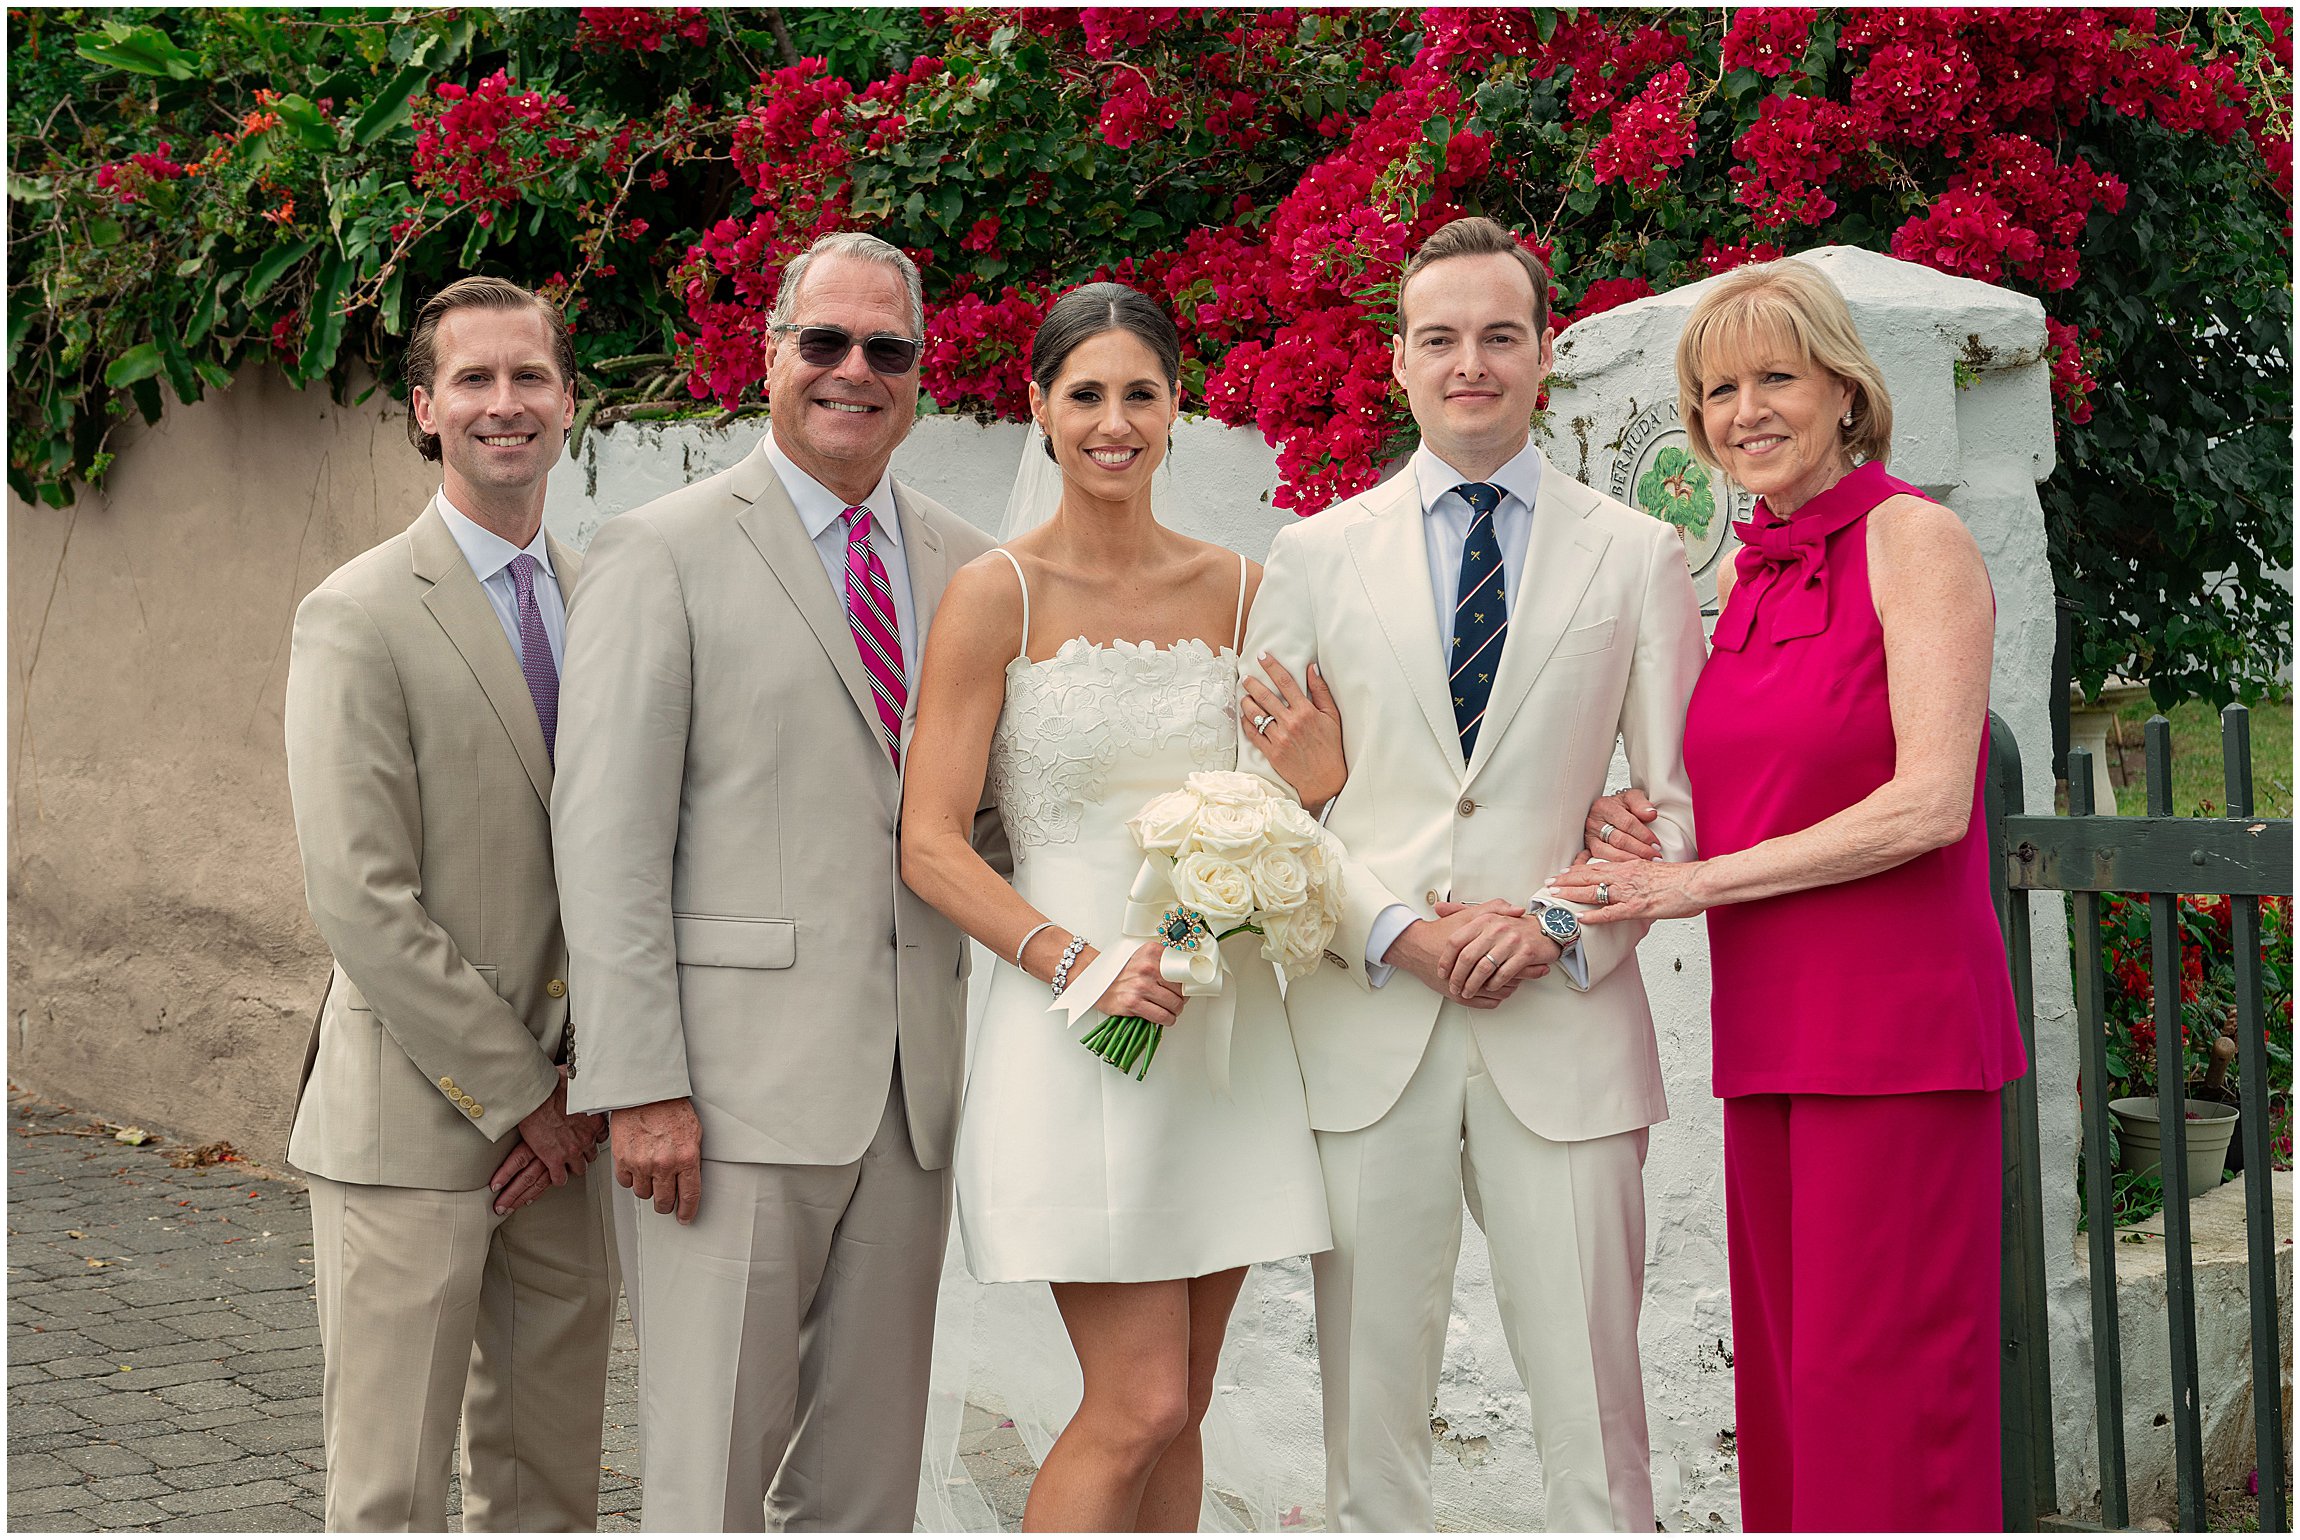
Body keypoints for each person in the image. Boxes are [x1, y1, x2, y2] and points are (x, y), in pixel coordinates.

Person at [1236, 215, 1707, 1532]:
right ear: (1397, 362)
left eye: (1501, 335)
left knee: (1596, 1419)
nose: (1472, 362)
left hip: (1562, 1028)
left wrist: (1557, 922)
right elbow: (1263, 809)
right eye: (1440, 338)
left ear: (1545, 354)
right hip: (1370, 1020)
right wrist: (1391, 926)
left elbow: (1678, 808)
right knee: (1367, 1423)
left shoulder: (1636, 555)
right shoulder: (1314, 558)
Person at [1557, 257, 2025, 1531]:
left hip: (1895, 1036)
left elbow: (1930, 801)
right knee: (1793, 1396)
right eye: (1716, 389)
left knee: (1884, 1400)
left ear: (1842, 391)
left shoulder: (1908, 539)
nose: (1743, 409)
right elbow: (1761, 790)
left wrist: (1686, 882)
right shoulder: (1750, 578)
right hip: (1769, 1030)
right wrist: (1641, 828)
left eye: (1774, 376)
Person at [551, 230, 1005, 1532]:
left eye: (887, 349)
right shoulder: (661, 551)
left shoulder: (975, 568)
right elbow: (607, 836)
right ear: (770, 356)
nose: (854, 370)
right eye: (825, 342)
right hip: (722, 1106)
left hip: (911, 1102)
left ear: (919, 375)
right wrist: (638, 1085)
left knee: (865, 1489)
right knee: (710, 1479)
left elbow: (997, 824)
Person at [899, 282, 1344, 1532]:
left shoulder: (1246, 589)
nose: (1112, 421)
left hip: (1224, 1033)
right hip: (1077, 1029)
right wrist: (1077, 964)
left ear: (1175, 408)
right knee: (1137, 1401)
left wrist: (1314, 787)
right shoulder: (1000, 594)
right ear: (1037, 409)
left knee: (1181, 1410)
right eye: (1084, 395)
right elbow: (930, 844)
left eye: (1138, 394)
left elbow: (1301, 791)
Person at [282, 275, 615, 1530]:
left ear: (569, 402)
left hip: (574, 1132)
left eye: (529, 375)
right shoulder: (356, 613)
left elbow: (630, 865)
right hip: (411, 1126)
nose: (504, 403)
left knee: (546, 1487)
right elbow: (360, 895)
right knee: (390, 1492)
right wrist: (522, 1093)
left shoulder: (611, 601)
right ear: (424, 409)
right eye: (472, 379)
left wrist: (582, 1092)